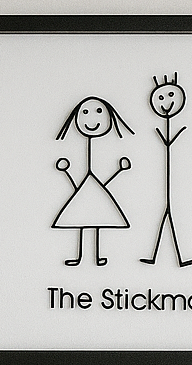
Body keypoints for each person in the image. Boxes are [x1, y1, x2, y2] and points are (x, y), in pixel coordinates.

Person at [52, 97, 133, 266]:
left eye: (98, 112)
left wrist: (119, 171)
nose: (91, 119)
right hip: (88, 189)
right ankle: (81, 257)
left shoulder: (102, 151)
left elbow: (99, 182)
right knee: (83, 222)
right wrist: (66, 171)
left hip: (92, 189)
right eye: (85, 112)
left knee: (93, 222)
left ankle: (95, 257)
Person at [140, 73, 192, 267]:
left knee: (168, 217)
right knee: (166, 217)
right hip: (166, 193)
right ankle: (165, 258)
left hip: (169, 193)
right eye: (161, 98)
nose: (166, 102)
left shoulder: (171, 129)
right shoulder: (163, 129)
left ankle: (175, 258)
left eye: (170, 96)